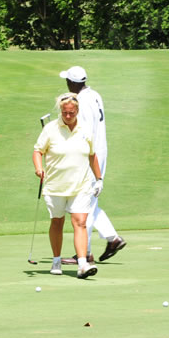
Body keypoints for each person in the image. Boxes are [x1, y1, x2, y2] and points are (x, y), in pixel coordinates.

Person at [60, 65, 126, 263]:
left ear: (72, 83)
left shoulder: (80, 102)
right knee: (89, 200)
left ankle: (86, 253)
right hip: (100, 151)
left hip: (90, 155)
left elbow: (83, 133)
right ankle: (112, 238)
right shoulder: (94, 95)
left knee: (83, 202)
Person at [33, 93, 104, 279]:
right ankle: (56, 260)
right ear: (61, 111)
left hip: (80, 186)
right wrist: (39, 168)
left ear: (77, 111)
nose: (68, 116)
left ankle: (82, 264)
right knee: (57, 221)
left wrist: (99, 179)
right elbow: (37, 151)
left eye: (71, 113)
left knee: (80, 222)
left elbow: (92, 155)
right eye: (65, 113)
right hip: (55, 186)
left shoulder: (85, 129)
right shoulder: (50, 129)